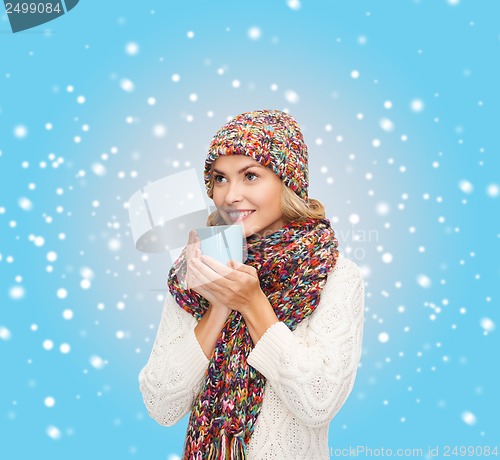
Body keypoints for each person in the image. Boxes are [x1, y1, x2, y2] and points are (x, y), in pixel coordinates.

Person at [139, 109, 365, 460]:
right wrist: (218, 306)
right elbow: (161, 405)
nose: (230, 196)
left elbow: (318, 402)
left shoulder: (334, 274)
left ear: (288, 182)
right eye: (220, 178)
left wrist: (252, 303)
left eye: (250, 176)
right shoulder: (195, 270)